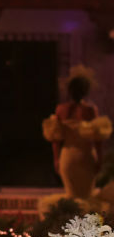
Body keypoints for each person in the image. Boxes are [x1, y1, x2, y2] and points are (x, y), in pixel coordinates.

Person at [42, 68, 112, 202]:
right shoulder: (90, 110)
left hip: (68, 158)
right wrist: (100, 159)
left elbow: (55, 139)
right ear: (85, 91)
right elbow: (97, 139)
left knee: (72, 196)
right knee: (86, 197)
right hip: (86, 157)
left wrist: (56, 159)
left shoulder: (60, 110)